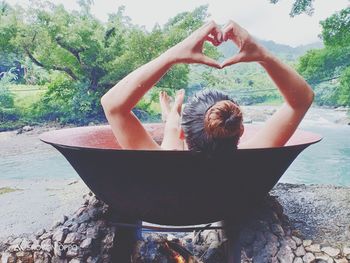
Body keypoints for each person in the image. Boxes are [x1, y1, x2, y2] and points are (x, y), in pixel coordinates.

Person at [101, 20, 314, 152]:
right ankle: (172, 113)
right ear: (240, 130)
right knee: (172, 133)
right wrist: (262, 54)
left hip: (168, 203)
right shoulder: (252, 157)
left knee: (170, 138)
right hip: (223, 204)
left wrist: (171, 56)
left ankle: (172, 114)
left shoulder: (163, 161)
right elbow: (301, 100)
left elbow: (112, 105)